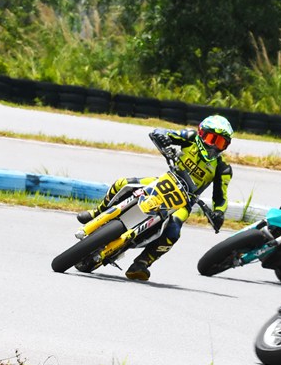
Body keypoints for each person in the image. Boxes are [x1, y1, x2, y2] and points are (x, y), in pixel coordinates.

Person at [78, 115, 234, 281]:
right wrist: (162, 138)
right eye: (212, 139)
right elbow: (162, 132)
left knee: (173, 232)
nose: (214, 146)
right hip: (163, 182)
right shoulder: (190, 138)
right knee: (122, 183)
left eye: (221, 143)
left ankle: (142, 263)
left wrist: (219, 213)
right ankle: (97, 212)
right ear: (201, 133)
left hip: (184, 202)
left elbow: (221, 197)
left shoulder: (223, 169)